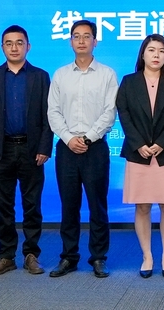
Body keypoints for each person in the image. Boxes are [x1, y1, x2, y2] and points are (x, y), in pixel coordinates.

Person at [0, 25, 53, 276]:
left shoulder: (40, 76)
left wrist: (44, 147)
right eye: (9, 43)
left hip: (32, 151)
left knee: (32, 205)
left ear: (28, 46)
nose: (14, 47)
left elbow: (48, 116)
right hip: (1, 151)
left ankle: (31, 254)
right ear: (2, 47)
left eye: (19, 43)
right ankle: (6, 256)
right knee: (3, 206)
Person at [47, 20, 118, 278]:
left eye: (86, 36)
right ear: (70, 41)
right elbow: (53, 112)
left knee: (97, 205)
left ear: (95, 41)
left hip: (95, 148)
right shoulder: (60, 75)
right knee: (69, 205)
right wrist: (68, 138)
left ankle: (98, 257)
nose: (81, 41)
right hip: (66, 149)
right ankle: (69, 257)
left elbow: (109, 112)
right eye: (76, 36)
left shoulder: (107, 74)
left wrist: (87, 138)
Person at [116, 34, 164, 279]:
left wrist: (161, 143)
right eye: (151, 50)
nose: (156, 55)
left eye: (161, 51)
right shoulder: (129, 82)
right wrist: (139, 144)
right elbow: (124, 114)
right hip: (139, 154)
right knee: (143, 206)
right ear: (143, 54)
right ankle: (147, 256)